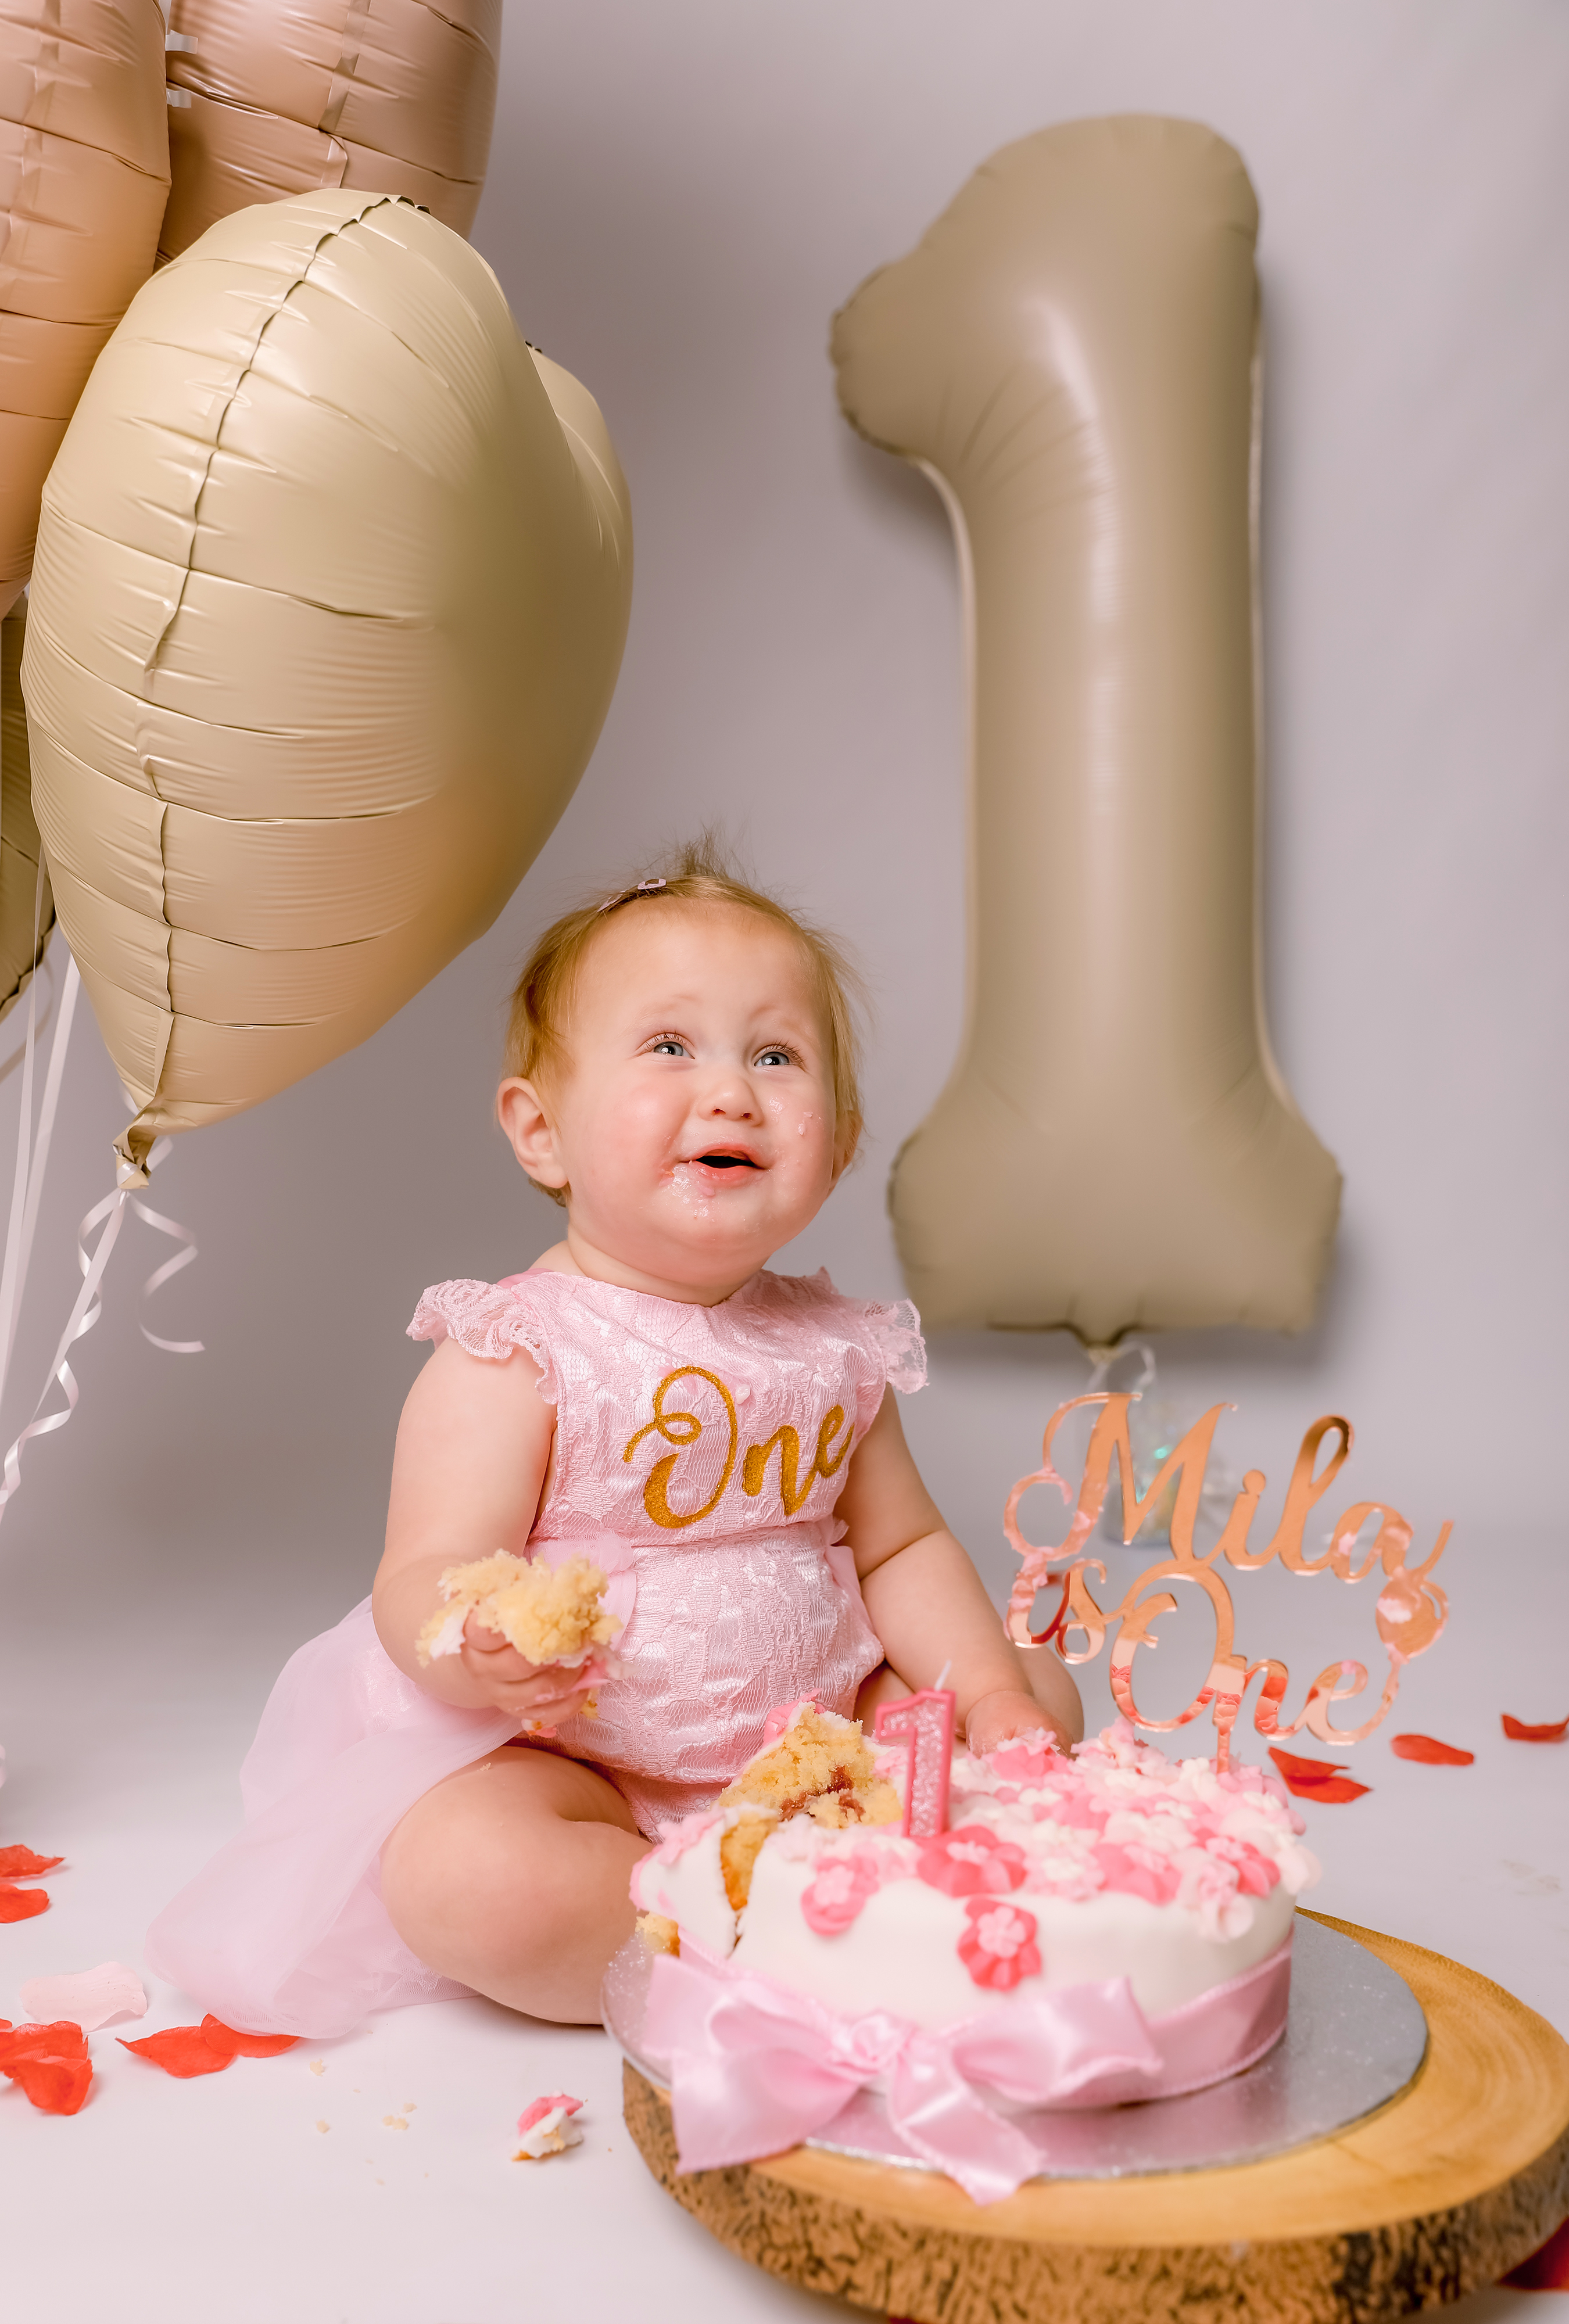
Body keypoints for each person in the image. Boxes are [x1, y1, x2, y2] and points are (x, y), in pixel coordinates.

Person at [147, 843, 1081, 2036]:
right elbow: (424, 1572)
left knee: (1037, 1693)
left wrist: (988, 1692)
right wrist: (475, 1641)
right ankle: (725, 1926)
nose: (732, 1092)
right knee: (465, 1870)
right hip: (589, 1772)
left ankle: (832, 1871)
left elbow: (901, 1551)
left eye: (776, 1055)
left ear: (840, 1143)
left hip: (827, 1746)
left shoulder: (835, 1352)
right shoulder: (520, 1352)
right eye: (671, 1046)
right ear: (542, 1131)